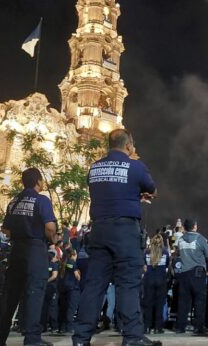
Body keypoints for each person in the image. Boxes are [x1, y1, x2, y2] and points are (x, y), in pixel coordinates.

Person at [72, 129, 160, 346]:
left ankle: (81, 339)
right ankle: (132, 337)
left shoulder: (94, 168)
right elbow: (152, 190)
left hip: (99, 231)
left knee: (94, 285)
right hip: (125, 231)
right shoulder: (136, 166)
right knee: (128, 285)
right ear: (129, 145)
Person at [0, 168, 57, 346]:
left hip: (16, 250)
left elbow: (5, 229)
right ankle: (32, 339)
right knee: (34, 294)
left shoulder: (14, 201)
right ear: (38, 181)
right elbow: (50, 227)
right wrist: (53, 240)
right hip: (35, 250)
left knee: (9, 296)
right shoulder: (42, 200)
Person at [174, 218, 208, 334]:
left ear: (184, 228)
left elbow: (178, 254)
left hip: (184, 273)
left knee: (183, 301)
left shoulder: (180, 240)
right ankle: (199, 327)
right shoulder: (200, 239)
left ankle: (180, 327)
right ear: (195, 226)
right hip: (198, 273)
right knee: (199, 301)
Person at [142, 234, 169, 334]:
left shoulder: (147, 252)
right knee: (159, 305)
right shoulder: (165, 252)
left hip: (149, 281)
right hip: (161, 281)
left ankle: (147, 327)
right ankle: (158, 327)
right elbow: (167, 265)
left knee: (148, 305)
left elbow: (144, 265)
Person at [42, 251, 60, 333]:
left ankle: (43, 326)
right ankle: (54, 327)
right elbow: (54, 276)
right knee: (53, 307)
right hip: (52, 288)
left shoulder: (44, 265)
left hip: (45, 288)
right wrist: (47, 281)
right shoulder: (54, 265)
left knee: (44, 307)